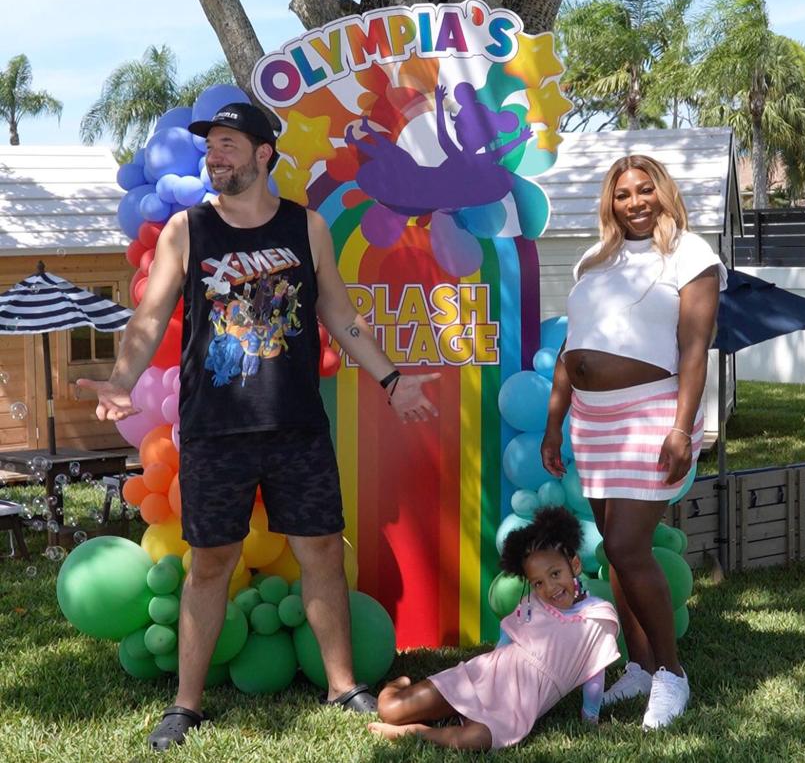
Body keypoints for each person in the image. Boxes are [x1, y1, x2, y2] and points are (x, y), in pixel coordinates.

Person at [77, 101, 440, 751]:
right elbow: (150, 316)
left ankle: (339, 682)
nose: (214, 155)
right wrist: (120, 380)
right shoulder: (187, 230)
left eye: (226, 144)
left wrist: (390, 377)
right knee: (210, 561)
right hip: (216, 429)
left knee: (321, 550)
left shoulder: (306, 227)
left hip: (296, 424)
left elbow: (341, 314)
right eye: (210, 145)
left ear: (263, 153)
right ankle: (185, 703)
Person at [541, 154, 727, 729]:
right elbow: (573, 349)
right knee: (610, 549)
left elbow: (694, 349)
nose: (636, 202)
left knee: (626, 545)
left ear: (663, 192)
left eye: (646, 190)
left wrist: (681, 427)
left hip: (652, 412)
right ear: (611, 203)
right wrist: (554, 423)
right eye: (623, 195)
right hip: (591, 420)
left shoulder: (692, 254)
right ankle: (640, 665)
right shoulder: (594, 261)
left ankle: (672, 675)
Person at [367, 506, 620, 750]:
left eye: (555, 574)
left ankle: (416, 732)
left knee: (477, 739)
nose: (550, 588)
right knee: (389, 710)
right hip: (484, 677)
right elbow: (505, 641)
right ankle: (397, 685)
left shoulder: (598, 617)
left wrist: (591, 720)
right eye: (538, 582)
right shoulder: (534, 604)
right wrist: (480, 676)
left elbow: (594, 674)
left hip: (515, 706)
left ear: (574, 565)